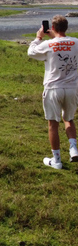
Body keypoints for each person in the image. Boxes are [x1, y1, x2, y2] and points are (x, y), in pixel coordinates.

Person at [27, 15, 78, 169]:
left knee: (53, 124)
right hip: (71, 88)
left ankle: (56, 160)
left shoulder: (49, 44)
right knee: (69, 118)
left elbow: (31, 52)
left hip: (53, 88)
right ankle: (73, 148)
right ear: (66, 27)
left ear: (53, 28)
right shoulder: (76, 42)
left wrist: (38, 37)